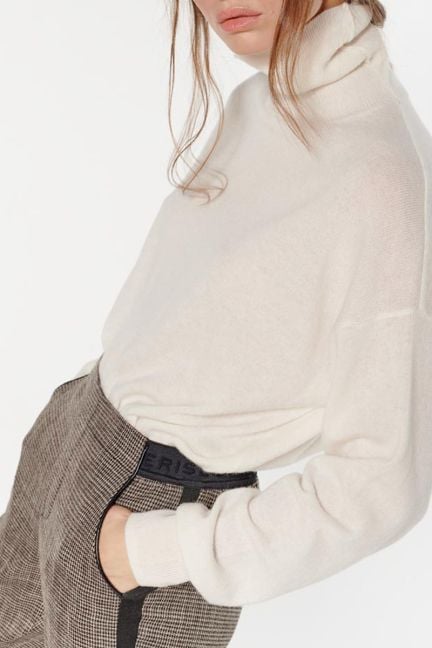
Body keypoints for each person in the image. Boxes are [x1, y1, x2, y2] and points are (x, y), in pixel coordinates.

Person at [1, 0, 431, 647]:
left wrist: (152, 551)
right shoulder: (264, 103)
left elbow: (382, 484)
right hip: (74, 447)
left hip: (144, 526)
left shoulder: (379, 171)